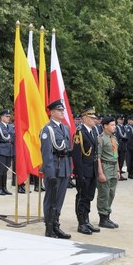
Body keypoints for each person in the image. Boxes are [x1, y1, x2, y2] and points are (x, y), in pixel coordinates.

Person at [40, 100, 72, 239]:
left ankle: (56, 225)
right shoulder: (47, 129)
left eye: (62, 110)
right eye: (59, 110)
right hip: (54, 168)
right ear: (52, 112)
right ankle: (49, 227)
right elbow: (46, 153)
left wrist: (70, 169)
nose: (62, 112)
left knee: (59, 199)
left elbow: (68, 149)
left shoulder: (65, 128)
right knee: (50, 199)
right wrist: (50, 173)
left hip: (64, 167)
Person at [71, 107, 100, 235]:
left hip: (92, 170)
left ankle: (87, 220)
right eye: (92, 118)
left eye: (95, 118)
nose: (95, 120)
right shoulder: (79, 132)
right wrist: (79, 174)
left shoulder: (93, 131)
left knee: (89, 196)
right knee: (82, 196)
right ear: (85, 118)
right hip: (83, 171)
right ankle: (81, 223)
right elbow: (77, 156)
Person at [96, 116, 120, 229]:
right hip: (105, 168)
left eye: (114, 125)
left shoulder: (113, 138)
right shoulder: (100, 138)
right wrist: (100, 173)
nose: (114, 127)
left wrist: (118, 170)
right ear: (105, 126)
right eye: (112, 125)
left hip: (114, 168)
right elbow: (98, 157)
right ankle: (103, 219)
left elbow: (116, 155)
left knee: (111, 194)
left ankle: (107, 216)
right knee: (104, 194)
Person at [0, 109, 14, 195]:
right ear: (2, 117)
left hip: (9, 151)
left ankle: (4, 188)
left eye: (9, 116)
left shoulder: (10, 127)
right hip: (2, 152)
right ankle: (0, 189)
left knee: (5, 170)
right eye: (6, 116)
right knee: (1, 170)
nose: (8, 118)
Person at [115, 114, 128, 181]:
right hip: (117, 147)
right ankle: (116, 174)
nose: (122, 120)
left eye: (122, 119)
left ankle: (120, 174)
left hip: (123, 147)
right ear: (117, 120)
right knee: (116, 160)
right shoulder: (116, 127)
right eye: (120, 119)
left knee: (122, 161)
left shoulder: (124, 127)